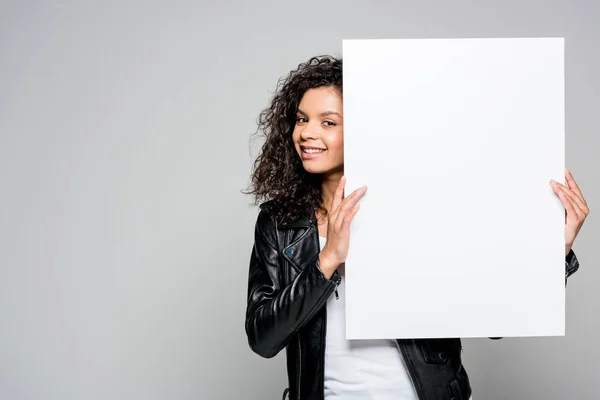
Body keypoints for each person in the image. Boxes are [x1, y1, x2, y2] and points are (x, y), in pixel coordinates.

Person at [243, 55, 588, 400]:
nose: (307, 133)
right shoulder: (280, 222)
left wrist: (552, 252)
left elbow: (494, 322)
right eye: (302, 119)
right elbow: (264, 339)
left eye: (328, 122)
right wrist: (328, 258)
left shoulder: (426, 207)